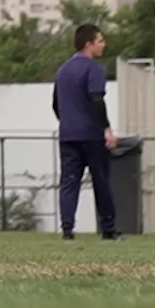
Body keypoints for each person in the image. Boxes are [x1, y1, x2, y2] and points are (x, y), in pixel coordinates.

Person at [54, 23, 121, 238]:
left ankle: (67, 229)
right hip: (91, 135)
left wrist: (67, 121)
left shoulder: (63, 70)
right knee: (101, 181)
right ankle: (108, 229)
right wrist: (106, 129)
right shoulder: (94, 69)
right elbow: (97, 100)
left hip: (68, 135)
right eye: (100, 41)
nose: (103, 45)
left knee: (69, 182)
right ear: (88, 44)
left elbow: (56, 103)